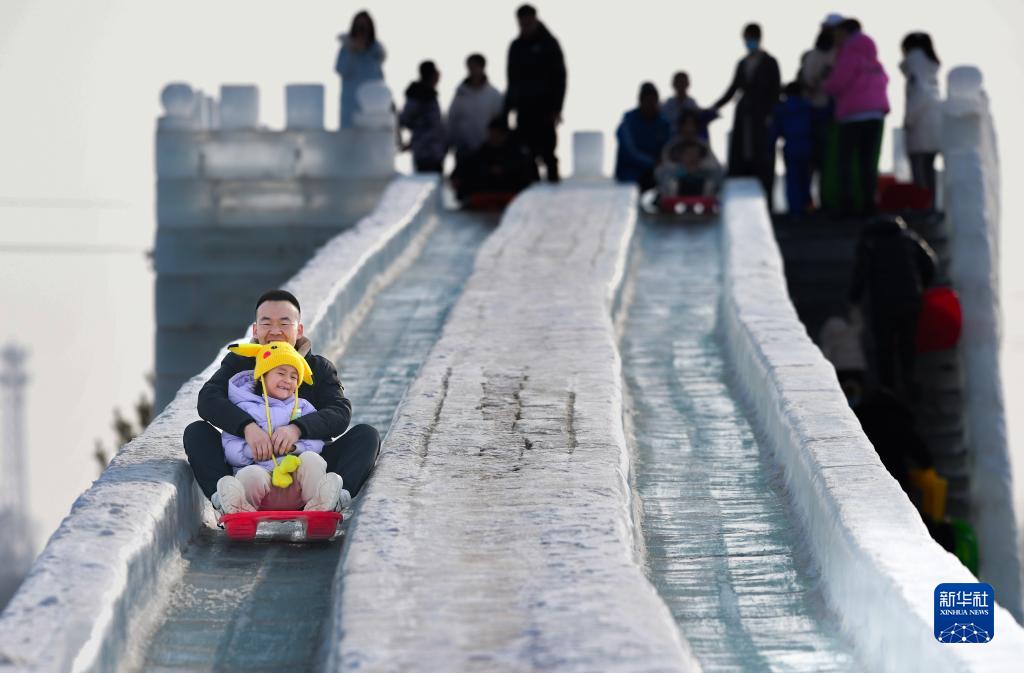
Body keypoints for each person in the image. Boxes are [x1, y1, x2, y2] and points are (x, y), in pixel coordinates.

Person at [183, 290, 381, 512]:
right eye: (266, 324)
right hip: (249, 467)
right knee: (197, 432)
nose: (275, 331)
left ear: (299, 329)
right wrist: (247, 427)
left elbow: (340, 412)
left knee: (366, 436)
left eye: (284, 323)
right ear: (256, 329)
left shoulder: (317, 368)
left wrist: (297, 429)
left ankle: (332, 500)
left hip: (307, 466)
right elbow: (208, 399)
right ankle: (228, 501)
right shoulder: (240, 362)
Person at [215, 341, 347, 514]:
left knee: (312, 459)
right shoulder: (244, 407)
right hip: (262, 482)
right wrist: (251, 450)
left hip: (296, 486)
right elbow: (230, 445)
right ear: (263, 375)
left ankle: (319, 505)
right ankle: (241, 510)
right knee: (250, 475)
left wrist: (296, 447)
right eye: (281, 373)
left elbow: (317, 442)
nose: (287, 380)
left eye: (294, 377)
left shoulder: (302, 407)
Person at [848, 216, 937, 396]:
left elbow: (861, 271)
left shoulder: (869, 242)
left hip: (882, 304)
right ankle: (909, 382)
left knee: (884, 346)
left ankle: (888, 388)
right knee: (907, 343)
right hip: (910, 301)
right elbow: (931, 264)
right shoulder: (910, 237)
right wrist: (921, 287)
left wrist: (853, 297)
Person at [823, 18, 889, 217]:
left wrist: (824, 85)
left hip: (852, 116)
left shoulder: (849, 53)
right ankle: (869, 204)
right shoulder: (872, 57)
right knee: (867, 162)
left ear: (845, 32)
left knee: (846, 162)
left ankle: (847, 206)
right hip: (875, 115)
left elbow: (837, 83)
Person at [713, 23, 781, 208]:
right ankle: (741, 202)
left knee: (764, 160)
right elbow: (733, 89)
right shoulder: (742, 63)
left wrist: (771, 115)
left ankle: (768, 203)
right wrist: (714, 108)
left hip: (762, 118)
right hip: (744, 117)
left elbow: (775, 91)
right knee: (742, 158)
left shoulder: (770, 62)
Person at [505, 4, 567, 183]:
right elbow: (511, 80)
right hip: (524, 109)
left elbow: (560, 78)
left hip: (546, 109)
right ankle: (532, 190)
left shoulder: (549, 44)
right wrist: (507, 111)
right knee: (526, 154)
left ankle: (553, 188)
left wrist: (557, 108)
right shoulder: (516, 47)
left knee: (548, 153)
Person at [797, 14, 842, 204]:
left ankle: (828, 200)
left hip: (835, 113)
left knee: (830, 161)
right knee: (813, 161)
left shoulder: (841, 54)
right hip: (816, 114)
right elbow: (807, 84)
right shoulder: (815, 56)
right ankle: (811, 203)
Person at [451, 117, 538, 202]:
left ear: (504, 135)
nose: (492, 137)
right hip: (487, 190)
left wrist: (504, 170)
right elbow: (469, 163)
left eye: (496, 134)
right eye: (491, 134)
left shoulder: (515, 151)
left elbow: (523, 172)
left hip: (510, 189)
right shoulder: (485, 149)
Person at [900, 32, 942, 194]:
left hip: (920, 124)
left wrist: (909, 119)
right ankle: (930, 205)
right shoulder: (927, 66)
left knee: (920, 171)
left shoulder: (915, 64)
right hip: (931, 123)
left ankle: (924, 206)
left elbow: (920, 94)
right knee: (928, 168)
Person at [447, 53, 505, 169]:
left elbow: (499, 122)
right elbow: (452, 120)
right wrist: (451, 142)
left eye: (475, 66)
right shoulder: (460, 94)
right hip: (464, 149)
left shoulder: (494, 95)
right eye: (469, 67)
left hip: (487, 151)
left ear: (482, 67)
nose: (472, 70)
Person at [615, 82, 672, 192]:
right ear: (640, 101)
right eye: (647, 101)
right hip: (630, 173)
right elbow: (628, 151)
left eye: (653, 101)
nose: (650, 105)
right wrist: (652, 163)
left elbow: (668, 148)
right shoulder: (628, 120)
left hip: (657, 174)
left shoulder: (664, 123)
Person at [334, 11, 386, 129]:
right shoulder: (346, 49)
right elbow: (340, 69)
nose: (361, 31)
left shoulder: (375, 53)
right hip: (350, 109)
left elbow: (380, 81)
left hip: (372, 112)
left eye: (364, 27)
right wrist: (352, 51)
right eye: (359, 27)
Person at [656, 109, 723, 197]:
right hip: (678, 181)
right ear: (680, 126)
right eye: (686, 124)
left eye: (692, 125)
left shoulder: (703, 145)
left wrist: (698, 166)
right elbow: (663, 167)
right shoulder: (671, 146)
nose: (689, 128)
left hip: (700, 180)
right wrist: (682, 167)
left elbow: (715, 166)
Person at [770, 82, 814, 214]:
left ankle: (795, 210)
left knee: (792, 180)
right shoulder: (808, 106)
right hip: (807, 146)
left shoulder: (781, 109)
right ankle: (808, 208)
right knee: (806, 179)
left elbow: (775, 131)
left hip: (790, 146)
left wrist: (768, 147)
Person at [399, 61, 447, 173]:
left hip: (434, 151)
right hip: (426, 153)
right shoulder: (417, 96)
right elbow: (405, 119)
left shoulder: (427, 94)